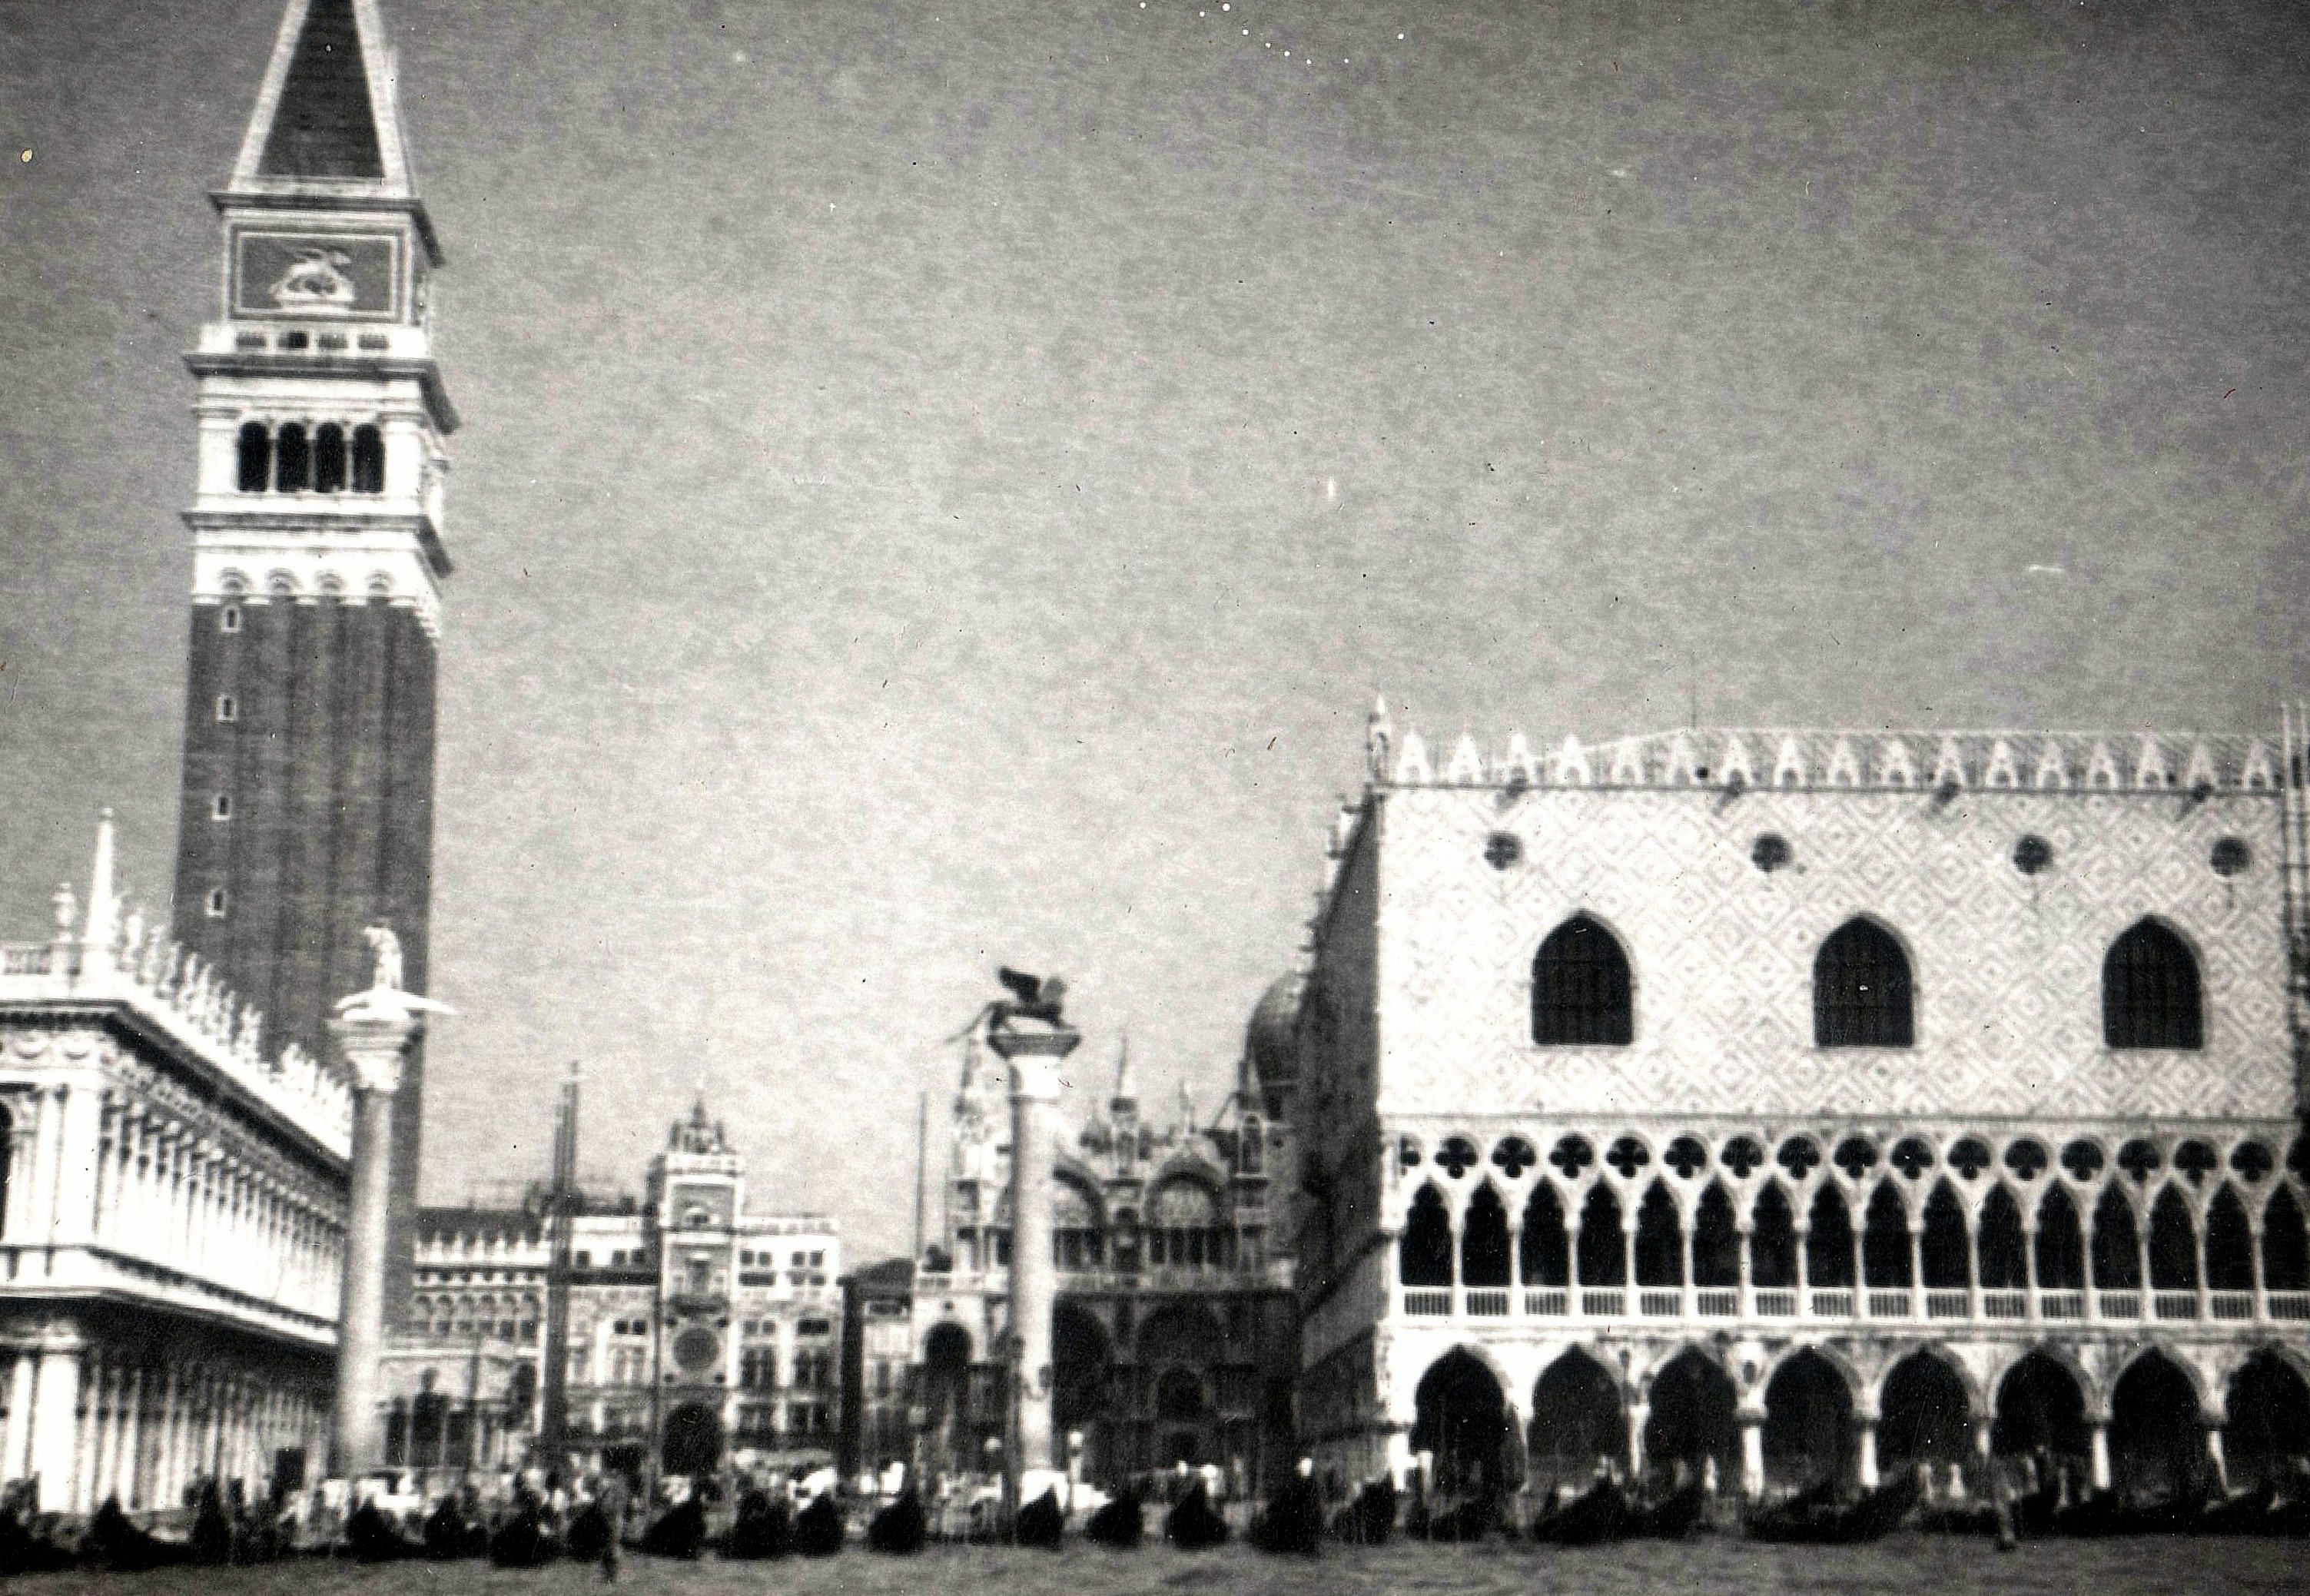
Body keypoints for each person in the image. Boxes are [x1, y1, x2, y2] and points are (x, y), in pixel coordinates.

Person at [596, 1474, 628, 1582]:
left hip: (614, 1520)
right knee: (608, 1547)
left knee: (613, 1547)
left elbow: (616, 1508)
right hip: (609, 1520)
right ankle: (608, 1574)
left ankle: (613, 1574)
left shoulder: (615, 1491)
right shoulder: (607, 1493)